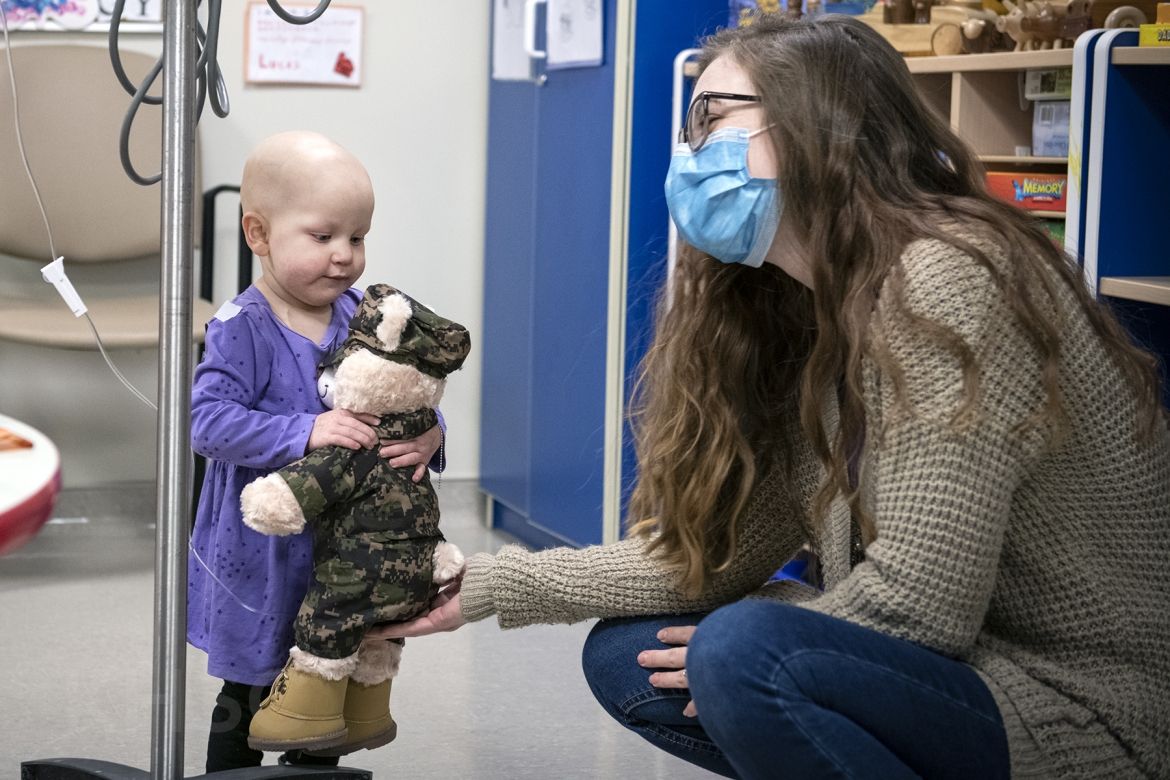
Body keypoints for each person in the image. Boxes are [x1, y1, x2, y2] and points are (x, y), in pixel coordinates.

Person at [374, 14, 1170, 779]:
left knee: (737, 652)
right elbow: (713, 560)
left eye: (709, 119)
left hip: (1085, 706)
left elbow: (922, 609)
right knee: (629, 655)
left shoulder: (947, 277)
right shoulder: (812, 309)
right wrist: (484, 585)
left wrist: (758, 630)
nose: (688, 153)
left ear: (815, 125)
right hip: (972, 672)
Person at [187, 130, 445, 772]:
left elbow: (408, 395)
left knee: (324, 684)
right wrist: (305, 431)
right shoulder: (240, 327)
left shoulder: (365, 316)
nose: (344, 257)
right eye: (323, 236)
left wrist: (432, 435)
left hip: (347, 553)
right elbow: (207, 422)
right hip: (265, 553)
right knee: (252, 694)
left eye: (356, 238)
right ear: (258, 233)